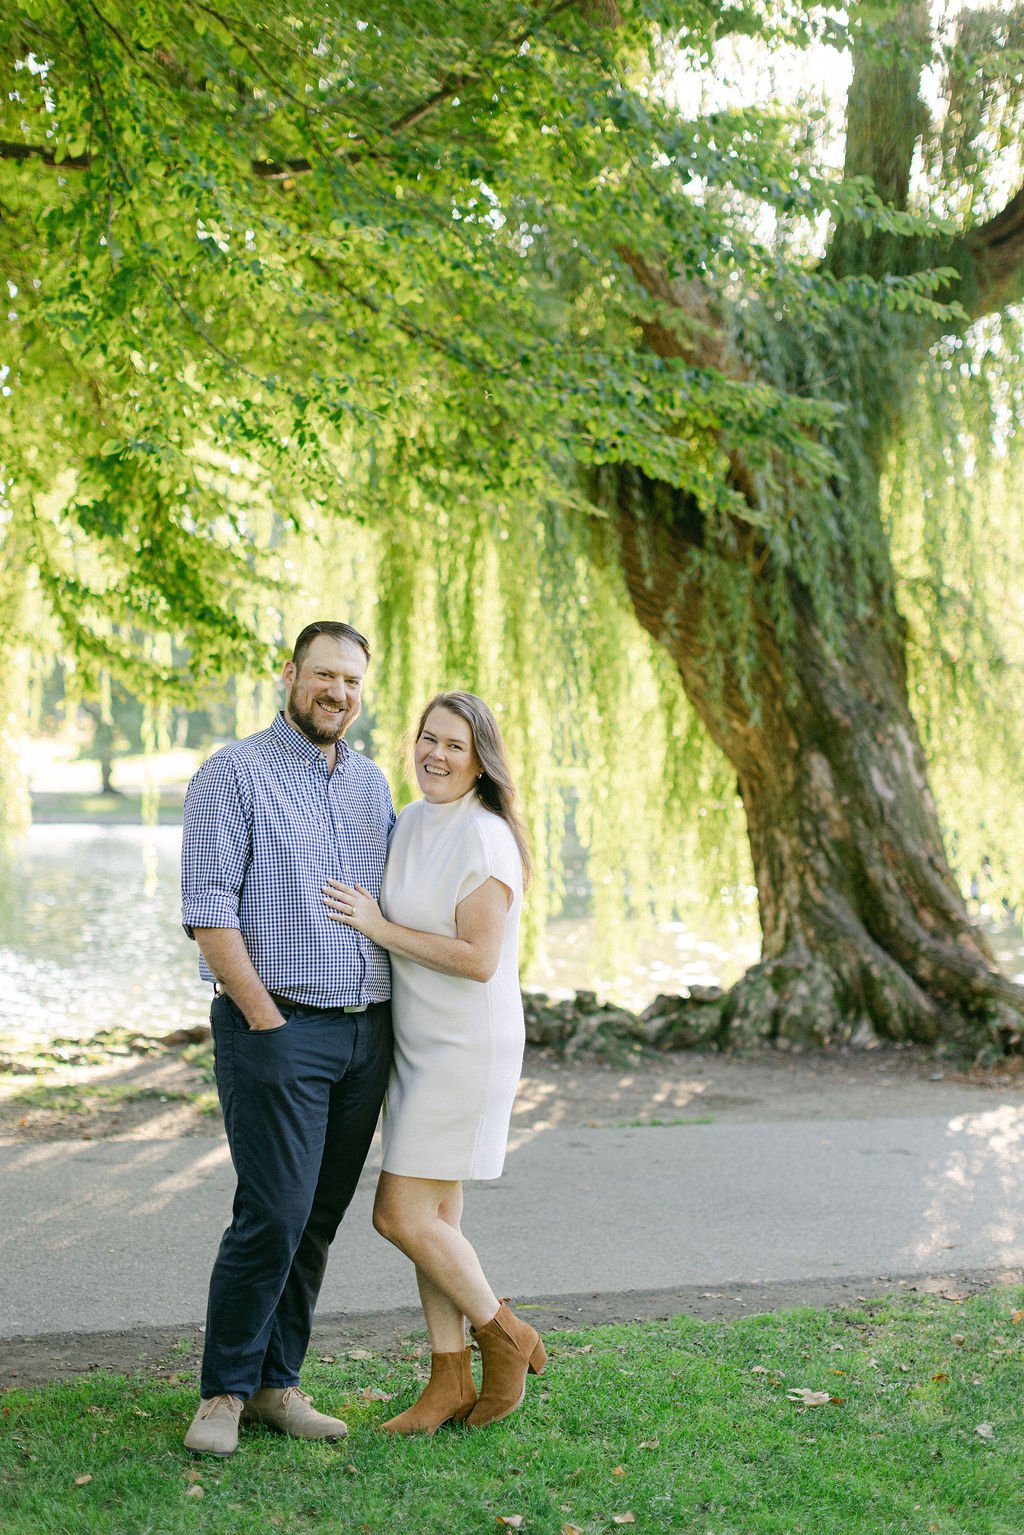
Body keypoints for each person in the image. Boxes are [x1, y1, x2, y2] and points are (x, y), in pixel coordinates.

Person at [179, 621, 394, 1457]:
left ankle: (278, 1384)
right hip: (277, 1029)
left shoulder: (373, 784)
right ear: (290, 674)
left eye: (351, 680)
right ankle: (223, 1394)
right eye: (324, 674)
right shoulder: (232, 775)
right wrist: (264, 1020)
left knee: (316, 1220)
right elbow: (209, 910)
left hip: (362, 1036)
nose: (337, 691)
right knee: (270, 1212)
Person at [323, 690, 545, 1434]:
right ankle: (448, 1379)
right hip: (416, 1041)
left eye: (453, 744)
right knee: (437, 1218)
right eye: (427, 738)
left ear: (480, 758)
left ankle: (504, 1335)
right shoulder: (413, 820)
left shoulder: (486, 838)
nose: (435, 754)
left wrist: (379, 927)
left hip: (465, 1044)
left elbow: (480, 958)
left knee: (399, 1213)